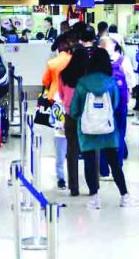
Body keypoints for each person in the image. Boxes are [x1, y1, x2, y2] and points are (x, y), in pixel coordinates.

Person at [70, 48, 136, 209]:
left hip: (87, 130)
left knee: (89, 162)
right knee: (114, 163)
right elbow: (114, 104)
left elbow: (74, 110)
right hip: (108, 129)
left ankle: (94, 198)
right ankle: (124, 196)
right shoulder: (111, 82)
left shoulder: (82, 83)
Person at [99, 37, 134, 179]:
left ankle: (104, 170)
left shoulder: (98, 60)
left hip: (103, 102)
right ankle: (117, 167)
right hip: (120, 102)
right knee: (119, 133)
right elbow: (131, 81)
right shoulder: (123, 60)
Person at [42, 37, 72, 189]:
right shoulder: (74, 61)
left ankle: (60, 176)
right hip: (72, 101)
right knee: (72, 137)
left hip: (57, 102)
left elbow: (45, 81)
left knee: (59, 137)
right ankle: (73, 172)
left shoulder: (52, 63)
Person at [59, 47, 88, 197]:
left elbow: (61, 94)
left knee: (72, 150)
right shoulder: (89, 76)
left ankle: (74, 186)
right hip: (87, 117)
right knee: (91, 150)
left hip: (70, 115)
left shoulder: (64, 74)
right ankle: (93, 185)